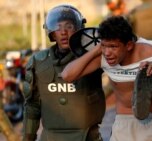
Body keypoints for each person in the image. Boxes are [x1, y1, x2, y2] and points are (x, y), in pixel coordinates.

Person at [62, 16, 152, 141]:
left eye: (113, 46)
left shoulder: (149, 53)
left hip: (150, 125)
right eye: (104, 46)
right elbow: (67, 75)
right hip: (122, 125)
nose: (107, 52)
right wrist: (96, 50)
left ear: (129, 45)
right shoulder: (104, 56)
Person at [22, 5, 106, 141]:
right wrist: (27, 138)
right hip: (50, 136)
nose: (63, 32)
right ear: (51, 33)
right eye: (58, 27)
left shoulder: (92, 57)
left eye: (69, 26)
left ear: (79, 29)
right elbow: (32, 106)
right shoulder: (38, 61)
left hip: (87, 136)